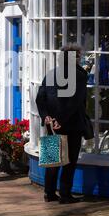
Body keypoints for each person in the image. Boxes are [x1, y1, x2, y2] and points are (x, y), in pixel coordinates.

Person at [36, 43, 92, 204]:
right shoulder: (80, 75)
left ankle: (49, 193)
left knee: (53, 159)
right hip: (70, 124)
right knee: (69, 161)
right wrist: (58, 120)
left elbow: (40, 98)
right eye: (79, 56)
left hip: (51, 124)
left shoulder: (52, 74)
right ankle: (65, 195)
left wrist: (46, 116)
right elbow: (73, 102)